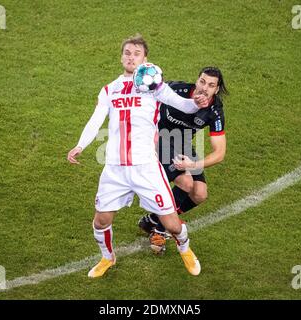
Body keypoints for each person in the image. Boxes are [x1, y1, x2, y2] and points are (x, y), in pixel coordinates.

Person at [67, 34, 209, 278]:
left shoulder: (154, 85)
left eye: (136, 53)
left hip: (146, 168)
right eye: (127, 53)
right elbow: (96, 118)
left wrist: (198, 102)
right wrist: (81, 145)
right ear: (122, 57)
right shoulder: (110, 89)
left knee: (173, 224)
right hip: (115, 168)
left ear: (145, 59)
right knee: (101, 221)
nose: (131, 57)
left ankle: (185, 249)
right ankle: (107, 258)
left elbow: (183, 105)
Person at [138, 67, 228, 254]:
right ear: (197, 81)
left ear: (216, 90)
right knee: (186, 183)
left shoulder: (214, 112)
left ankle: (154, 219)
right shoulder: (177, 90)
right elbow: (147, 96)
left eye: (211, 85)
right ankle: (161, 229)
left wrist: (193, 165)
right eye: (202, 82)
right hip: (158, 137)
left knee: (200, 194)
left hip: (182, 143)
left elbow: (219, 153)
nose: (205, 88)